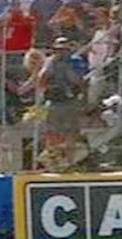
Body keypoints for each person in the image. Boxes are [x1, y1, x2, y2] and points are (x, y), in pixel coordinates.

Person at [38, 36, 82, 167]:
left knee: (70, 132)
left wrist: (67, 70)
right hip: (53, 101)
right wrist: (50, 65)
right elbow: (41, 80)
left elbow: (79, 81)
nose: (61, 52)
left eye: (64, 50)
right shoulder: (50, 62)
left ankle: (70, 161)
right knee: (51, 133)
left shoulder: (75, 61)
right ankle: (53, 162)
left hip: (69, 100)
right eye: (58, 50)